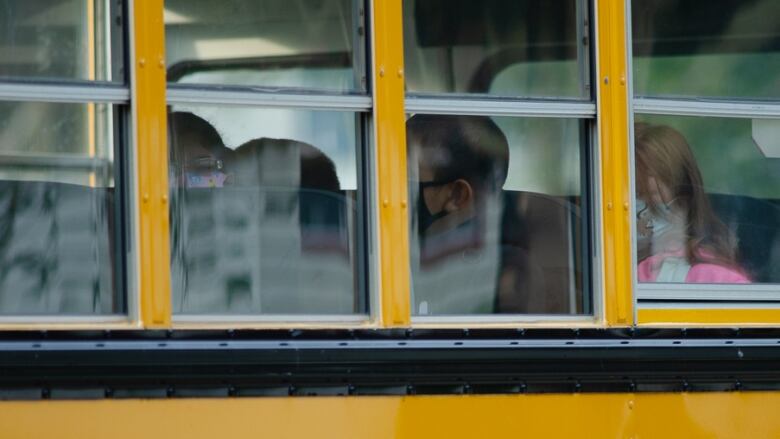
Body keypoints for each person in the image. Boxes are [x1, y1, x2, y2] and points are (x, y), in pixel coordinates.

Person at [407, 114, 540, 314]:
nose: (388, 197)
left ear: (457, 195)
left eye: (408, 182)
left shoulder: (500, 274)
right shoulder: (412, 249)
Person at [634, 122, 750, 283]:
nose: (634, 206)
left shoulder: (714, 276)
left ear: (683, 198)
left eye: (651, 195)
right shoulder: (602, 265)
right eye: (633, 194)